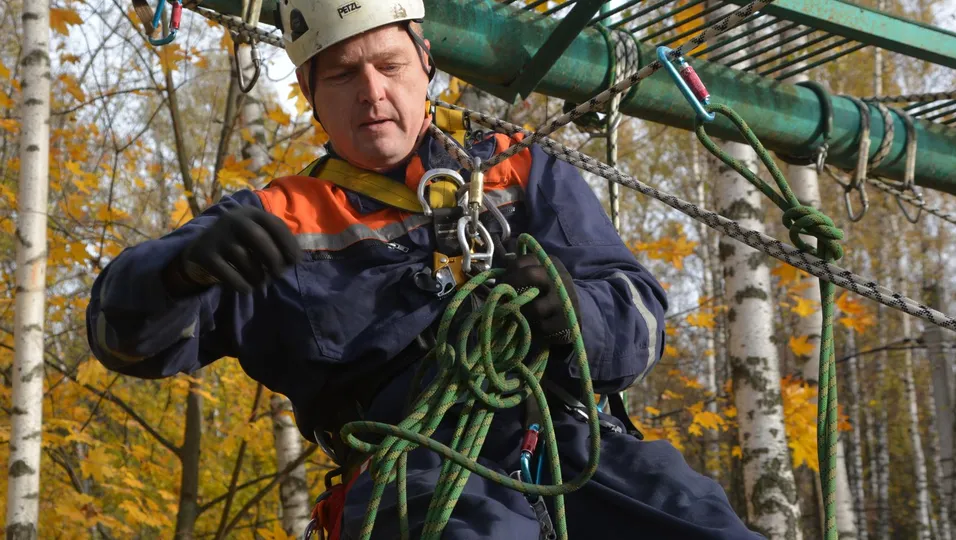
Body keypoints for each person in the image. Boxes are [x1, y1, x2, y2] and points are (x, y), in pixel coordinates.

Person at [85, 0, 764, 538]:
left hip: (574, 443)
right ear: (309, 90)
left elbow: (640, 314)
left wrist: (575, 315)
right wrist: (176, 273)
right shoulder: (277, 219)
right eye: (344, 74)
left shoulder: (514, 168)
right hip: (412, 477)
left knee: (698, 521)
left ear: (425, 63)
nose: (372, 93)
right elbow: (122, 336)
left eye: (388, 65)